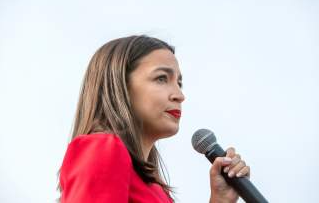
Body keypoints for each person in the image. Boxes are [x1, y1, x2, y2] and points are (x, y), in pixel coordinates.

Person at [57, 35, 250, 203]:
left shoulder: (156, 190)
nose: (179, 95)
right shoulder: (101, 148)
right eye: (161, 78)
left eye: (179, 83)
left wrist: (221, 200)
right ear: (120, 86)